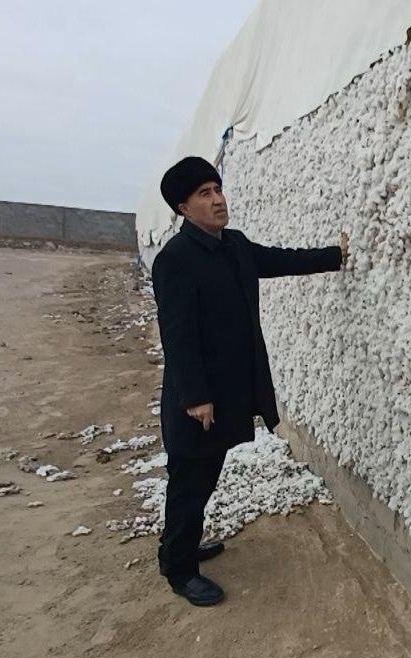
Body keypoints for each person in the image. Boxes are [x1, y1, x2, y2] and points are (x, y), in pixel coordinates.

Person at [151, 156, 348, 606]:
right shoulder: (175, 260)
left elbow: (279, 260)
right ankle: (178, 568)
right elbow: (177, 337)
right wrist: (195, 397)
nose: (218, 199)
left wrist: (335, 257)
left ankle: (180, 546)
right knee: (189, 482)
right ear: (183, 207)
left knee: (204, 476)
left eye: (218, 189)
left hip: (227, 393)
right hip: (197, 402)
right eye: (204, 193)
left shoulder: (234, 246)